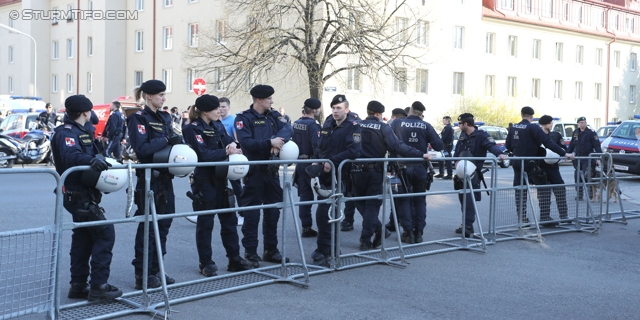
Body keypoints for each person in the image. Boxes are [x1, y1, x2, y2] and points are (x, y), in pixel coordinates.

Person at [51, 95, 122, 301]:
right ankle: (99, 285)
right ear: (85, 112)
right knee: (105, 232)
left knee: (83, 237)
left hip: (85, 192)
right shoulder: (66, 133)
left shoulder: (84, 131)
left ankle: (78, 285)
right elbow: (70, 156)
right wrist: (91, 160)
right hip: (76, 193)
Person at [182, 94, 251, 276]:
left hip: (222, 178)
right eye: (216, 109)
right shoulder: (192, 129)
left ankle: (234, 258)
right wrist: (225, 151)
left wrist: (233, 147)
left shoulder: (217, 124)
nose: (220, 112)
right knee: (206, 223)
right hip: (204, 181)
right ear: (205, 111)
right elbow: (203, 155)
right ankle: (206, 262)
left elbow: (229, 142)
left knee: (229, 220)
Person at [353, 100, 432, 250]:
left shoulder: (356, 125)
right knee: (372, 204)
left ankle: (376, 230)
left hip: (355, 171)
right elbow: (397, 146)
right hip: (375, 171)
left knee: (358, 201)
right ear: (378, 114)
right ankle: (366, 238)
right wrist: (420, 154)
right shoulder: (383, 127)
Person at [127, 79, 181, 289]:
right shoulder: (138, 119)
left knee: (164, 226)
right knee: (149, 227)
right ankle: (143, 273)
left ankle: (157, 268)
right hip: (149, 178)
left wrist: (175, 142)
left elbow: (173, 140)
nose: (164, 98)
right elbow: (142, 148)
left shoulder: (165, 117)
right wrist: (167, 139)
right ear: (149, 96)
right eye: (160, 95)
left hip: (166, 178)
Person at [235, 85, 293, 268]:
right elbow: (246, 143)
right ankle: (250, 252)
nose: (272, 101)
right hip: (254, 173)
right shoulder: (244, 118)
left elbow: (288, 129)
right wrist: (270, 143)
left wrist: (279, 141)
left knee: (273, 212)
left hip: (272, 172)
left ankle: (271, 249)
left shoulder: (274, 115)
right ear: (259, 100)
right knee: (251, 215)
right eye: (269, 99)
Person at [310, 94, 361, 266]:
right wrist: (317, 160)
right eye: (333, 108)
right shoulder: (328, 124)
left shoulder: (353, 127)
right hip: (324, 175)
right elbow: (319, 147)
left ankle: (329, 248)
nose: (335, 111)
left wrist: (333, 162)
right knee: (323, 213)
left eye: (339, 108)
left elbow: (354, 151)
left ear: (347, 110)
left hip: (340, 175)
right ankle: (324, 247)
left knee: (328, 212)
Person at [505, 107, 570, 226]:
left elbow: (508, 145)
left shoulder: (513, 127)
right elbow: (548, 143)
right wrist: (565, 154)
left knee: (520, 190)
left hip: (517, 162)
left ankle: (522, 218)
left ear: (522, 115)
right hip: (531, 162)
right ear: (531, 116)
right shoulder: (532, 127)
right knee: (543, 187)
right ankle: (545, 217)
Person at [390, 101, 444, 243]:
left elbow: (389, 142)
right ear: (421, 114)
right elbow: (439, 145)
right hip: (420, 167)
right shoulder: (426, 125)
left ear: (411, 110)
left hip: (402, 167)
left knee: (404, 199)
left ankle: (408, 232)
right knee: (420, 200)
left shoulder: (397, 123)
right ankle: (419, 232)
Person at [454, 113, 508, 237]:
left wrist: (499, 154)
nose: (459, 126)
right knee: (463, 198)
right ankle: (465, 223)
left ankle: (468, 225)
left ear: (466, 124)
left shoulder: (481, 136)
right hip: (461, 173)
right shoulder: (462, 136)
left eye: (460, 124)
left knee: (469, 198)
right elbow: (457, 152)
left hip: (474, 173)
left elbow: (491, 146)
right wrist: (455, 161)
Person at [292, 98, 322, 238]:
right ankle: (325, 225)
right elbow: (317, 145)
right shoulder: (313, 125)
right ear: (314, 110)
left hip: (300, 162)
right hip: (311, 163)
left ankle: (306, 226)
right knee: (323, 194)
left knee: (305, 196)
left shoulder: (297, 122)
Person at [537, 115, 569, 225]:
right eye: (550, 123)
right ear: (544, 124)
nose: (551, 125)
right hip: (541, 168)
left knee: (560, 189)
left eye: (551, 123)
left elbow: (563, 148)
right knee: (544, 194)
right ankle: (545, 217)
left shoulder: (556, 135)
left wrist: (563, 155)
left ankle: (564, 215)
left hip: (554, 168)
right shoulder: (536, 136)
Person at [219, 97, 244, 226]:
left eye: (224, 106)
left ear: (228, 107)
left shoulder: (233, 120)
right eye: (219, 107)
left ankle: (242, 213)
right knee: (219, 186)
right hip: (220, 157)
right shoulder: (216, 121)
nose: (221, 109)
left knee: (236, 186)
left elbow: (237, 139)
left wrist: (232, 147)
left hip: (232, 157)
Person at [567, 116, 602, 200]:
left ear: (586, 123)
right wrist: (567, 154)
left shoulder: (591, 133)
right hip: (578, 158)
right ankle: (579, 195)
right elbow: (572, 144)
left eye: (582, 122)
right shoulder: (575, 132)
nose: (580, 124)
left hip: (588, 157)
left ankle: (591, 195)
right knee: (577, 176)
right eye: (579, 123)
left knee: (587, 175)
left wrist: (598, 158)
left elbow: (597, 146)